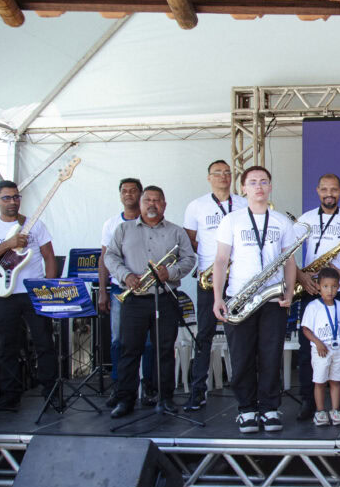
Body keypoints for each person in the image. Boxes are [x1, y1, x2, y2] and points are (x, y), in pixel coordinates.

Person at [213, 166, 303, 433]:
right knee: (241, 357)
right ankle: (246, 409)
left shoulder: (282, 222)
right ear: (243, 188)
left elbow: (289, 260)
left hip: (273, 298)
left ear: (270, 186)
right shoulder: (232, 220)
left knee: (270, 355)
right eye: (252, 182)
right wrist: (218, 297)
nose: (259, 187)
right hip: (240, 297)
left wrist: (288, 290)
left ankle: (270, 408)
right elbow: (220, 261)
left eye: (264, 182)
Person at [105, 186, 196, 419]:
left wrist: (172, 272)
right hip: (134, 299)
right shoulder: (123, 229)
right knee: (129, 350)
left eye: (157, 200)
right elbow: (110, 256)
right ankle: (125, 399)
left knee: (164, 351)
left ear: (164, 204)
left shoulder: (176, 232)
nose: (152, 204)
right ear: (141, 203)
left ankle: (164, 398)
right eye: (148, 200)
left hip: (164, 298)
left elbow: (189, 259)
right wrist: (125, 275)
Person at [0, 180, 59, 407]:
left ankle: (51, 393)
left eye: (16, 197)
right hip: (4, 294)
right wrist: (8, 244)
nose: (13, 202)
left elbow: (49, 256)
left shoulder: (34, 225)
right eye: (7, 198)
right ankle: (10, 396)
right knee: (7, 345)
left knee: (44, 343)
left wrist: (48, 289)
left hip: (34, 291)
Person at [294, 173, 340, 421]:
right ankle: (308, 401)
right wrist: (302, 278)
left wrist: (336, 274)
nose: (329, 194)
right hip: (311, 290)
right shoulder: (305, 220)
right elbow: (287, 253)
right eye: (324, 189)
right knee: (306, 349)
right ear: (317, 190)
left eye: (334, 189)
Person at [181, 160, 247, 411]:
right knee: (204, 335)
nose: (223, 176)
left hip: (239, 278)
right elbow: (189, 242)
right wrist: (214, 263)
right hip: (209, 279)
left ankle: (244, 391)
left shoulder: (242, 203)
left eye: (227, 173)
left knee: (241, 334)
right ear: (208, 178)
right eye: (217, 173)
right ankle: (198, 390)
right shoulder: (196, 206)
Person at [98, 177, 155, 408]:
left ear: (140, 195)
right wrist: (102, 291)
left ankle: (149, 385)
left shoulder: (153, 222)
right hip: (120, 289)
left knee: (149, 342)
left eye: (133, 191)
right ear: (120, 195)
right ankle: (119, 386)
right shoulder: (111, 224)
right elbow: (105, 259)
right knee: (118, 340)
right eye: (124, 191)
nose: (128, 194)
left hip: (149, 291)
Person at [300, 267, 340, 426]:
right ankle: (320, 411)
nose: (330, 290)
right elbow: (306, 329)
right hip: (320, 350)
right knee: (319, 381)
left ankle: (335, 410)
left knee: (336, 380)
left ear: (339, 287)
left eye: (334, 286)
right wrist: (318, 342)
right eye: (326, 286)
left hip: (337, 349)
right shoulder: (313, 306)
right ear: (318, 286)